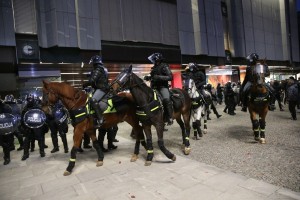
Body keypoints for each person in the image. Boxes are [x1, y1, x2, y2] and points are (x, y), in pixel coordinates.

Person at [144, 53, 173, 125]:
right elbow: (152, 76)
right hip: (153, 87)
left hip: (162, 87)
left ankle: (169, 117)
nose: (152, 61)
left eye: (153, 59)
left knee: (166, 99)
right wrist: (148, 77)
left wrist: (159, 77)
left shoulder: (164, 66)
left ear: (157, 59)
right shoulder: (154, 68)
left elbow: (170, 77)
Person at [83, 55, 110, 128]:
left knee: (93, 100)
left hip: (101, 89)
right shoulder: (101, 69)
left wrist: (84, 84)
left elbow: (92, 81)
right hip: (100, 88)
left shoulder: (98, 69)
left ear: (95, 62)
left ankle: (101, 119)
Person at [20, 94, 48, 160]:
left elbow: (42, 115)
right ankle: (25, 154)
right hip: (29, 127)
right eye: (29, 99)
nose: (30, 100)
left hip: (37, 126)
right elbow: (23, 118)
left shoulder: (37, 107)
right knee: (26, 140)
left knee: (40, 139)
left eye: (31, 99)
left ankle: (42, 152)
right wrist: (23, 126)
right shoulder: (25, 108)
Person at [0, 100, 15, 165]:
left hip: (4, 126)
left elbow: (9, 116)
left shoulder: (5, 107)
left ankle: (7, 158)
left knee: (5, 143)